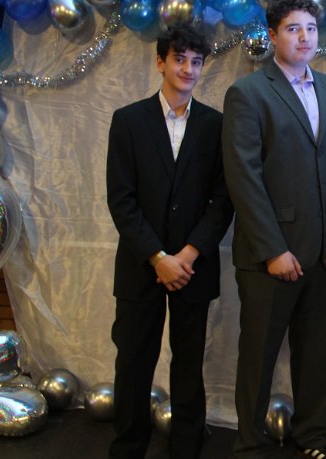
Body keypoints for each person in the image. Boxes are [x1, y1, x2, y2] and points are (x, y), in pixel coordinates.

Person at [222, 0, 326, 459]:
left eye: (311, 28)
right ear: (273, 35)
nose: (305, 37)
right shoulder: (248, 93)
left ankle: (313, 437)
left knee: (316, 353)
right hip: (271, 254)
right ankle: (248, 444)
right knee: (258, 355)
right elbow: (243, 177)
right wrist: (272, 249)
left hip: (325, 251)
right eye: (293, 29)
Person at [106, 23, 234, 459]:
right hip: (141, 264)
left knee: (189, 363)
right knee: (133, 363)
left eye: (196, 62)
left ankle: (186, 446)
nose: (188, 69)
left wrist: (189, 253)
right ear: (160, 62)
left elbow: (223, 199)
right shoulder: (128, 121)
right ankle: (128, 448)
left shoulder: (215, 125)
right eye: (179, 59)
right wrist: (158, 256)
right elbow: (121, 200)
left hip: (193, 266)